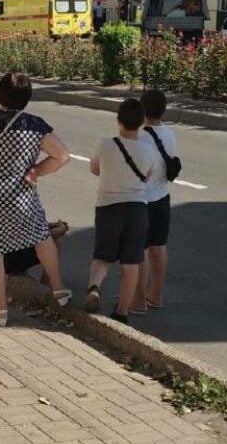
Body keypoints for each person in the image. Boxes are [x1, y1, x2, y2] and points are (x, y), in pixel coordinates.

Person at [0, 73, 71, 327]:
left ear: (0, 94)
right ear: (27, 98)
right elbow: (62, 156)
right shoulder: (35, 126)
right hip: (21, 197)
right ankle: (59, 289)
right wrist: (36, 171)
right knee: (41, 237)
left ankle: (0, 310)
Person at [85, 98, 154, 325]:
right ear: (143, 122)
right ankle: (122, 311)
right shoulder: (147, 150)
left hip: (108, 207)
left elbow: (95, 168)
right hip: (137, 209)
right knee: (131, 262)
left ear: (118, 120)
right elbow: (148, 177)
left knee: (102, 256)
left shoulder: (105, 144)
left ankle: (94, 287)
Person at [130, 90, 177, 314]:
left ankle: (138, 301)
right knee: (159, 248)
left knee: (141, 250)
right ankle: (156, 295)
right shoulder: (169, 134)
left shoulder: (139, 137)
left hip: (142, 200)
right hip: (162, 198)